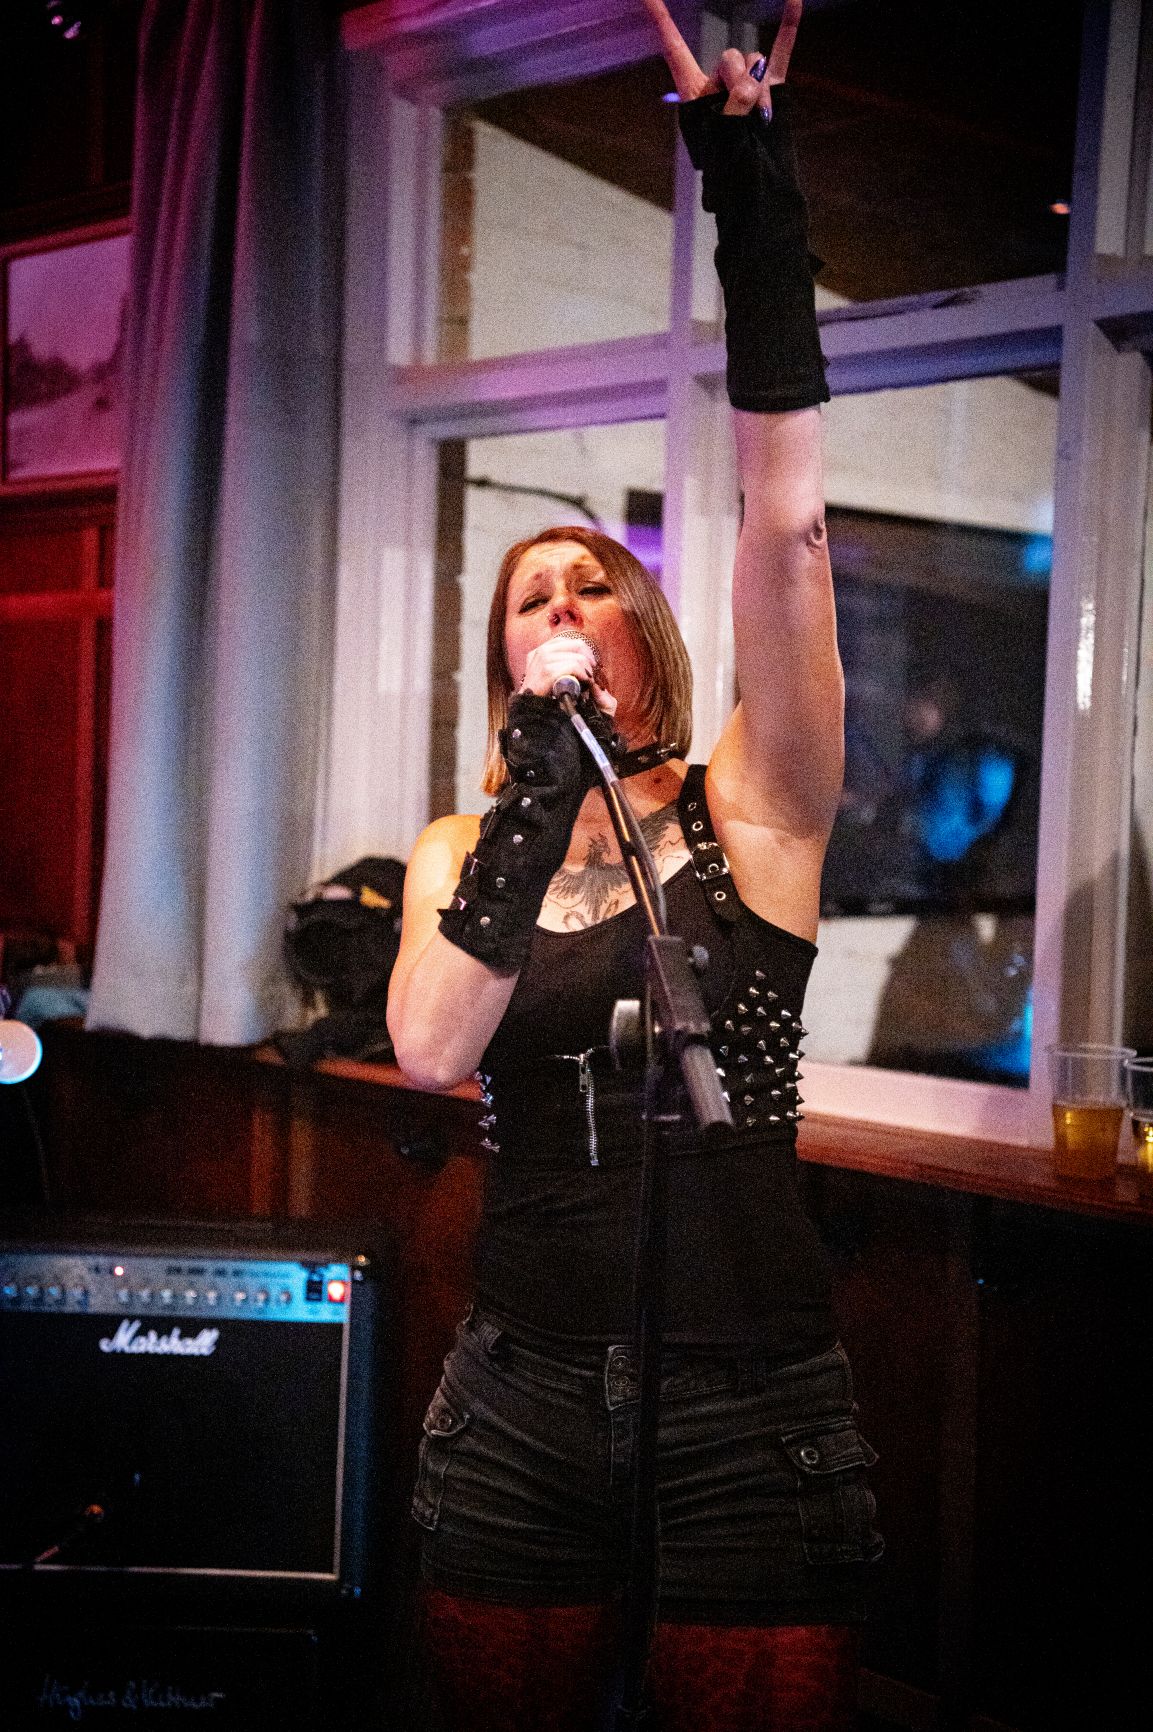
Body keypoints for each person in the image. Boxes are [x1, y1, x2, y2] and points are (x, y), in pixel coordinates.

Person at [387, 4, 882, 1726]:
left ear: (643, 637)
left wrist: (752, 202)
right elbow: (432, 1047)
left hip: (750, 1399)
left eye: (590, 584)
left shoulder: (756, 803)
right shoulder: (463, 844)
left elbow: (786, 526)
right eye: (529, 596)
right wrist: (537, 781)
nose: (560, 604)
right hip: (519, 1390)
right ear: (504, 658)